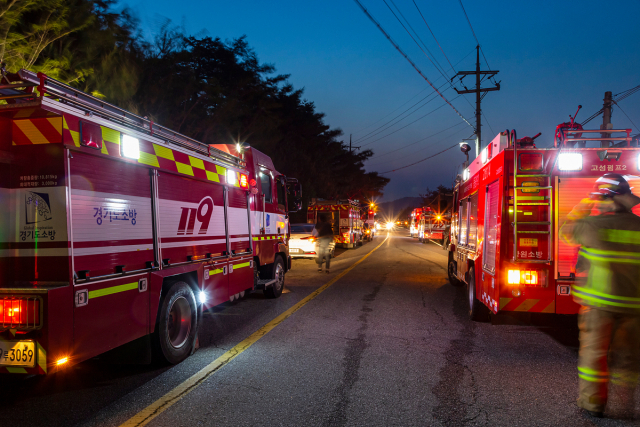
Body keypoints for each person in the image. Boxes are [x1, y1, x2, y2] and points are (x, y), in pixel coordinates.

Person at [563, 173, 640, 418]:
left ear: (604, 198)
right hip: (635, 307)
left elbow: (567, 230)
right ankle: (626, 404)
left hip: (599, 305)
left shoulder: (594, 226)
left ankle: (593, 404)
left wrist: (586, 202)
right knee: (629, 358)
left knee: (594, 357)